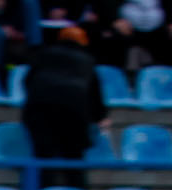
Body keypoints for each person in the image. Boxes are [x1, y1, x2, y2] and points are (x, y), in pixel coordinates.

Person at [21, 27, 112, 170]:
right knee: (74, 157)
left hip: (40, 109)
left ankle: (45, 189)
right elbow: (94, 93)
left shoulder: (43, 54)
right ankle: (76, 189)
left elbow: (27, 80)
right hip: (74, 111)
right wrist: (101, 116)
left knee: (44, 156)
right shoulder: (87, 60)